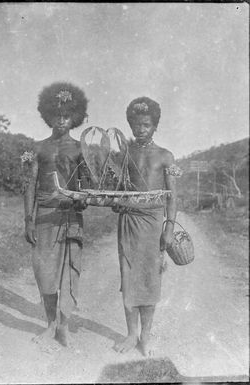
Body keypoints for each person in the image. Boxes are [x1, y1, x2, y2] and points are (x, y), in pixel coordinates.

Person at [22, 81, 88, 351]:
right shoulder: (37, 148)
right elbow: (29, 185)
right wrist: (28, 219)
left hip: (70, 218)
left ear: (75, 118)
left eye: (67, 115)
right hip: (45, 218)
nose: (61, 119)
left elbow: (86, 187)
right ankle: (50, 324)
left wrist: (82, 200)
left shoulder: (81, 149)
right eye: (56, 114)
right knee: (45, 273)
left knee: (67, 274)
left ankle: (63, 326)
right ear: (47, 115)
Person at [113, 97, 180, 356]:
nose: (141, 129)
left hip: (153, 223)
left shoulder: (166, 156)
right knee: (129, 279)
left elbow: (173, 196)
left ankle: (146, 337)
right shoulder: (124, 155)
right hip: (128, 221)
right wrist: (117, 203)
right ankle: (131, 334)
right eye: (136, 124)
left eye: (146, 124)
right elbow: (118, 190)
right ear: (130, 125)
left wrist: (169, 228)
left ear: (155, 125)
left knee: (150, 280)